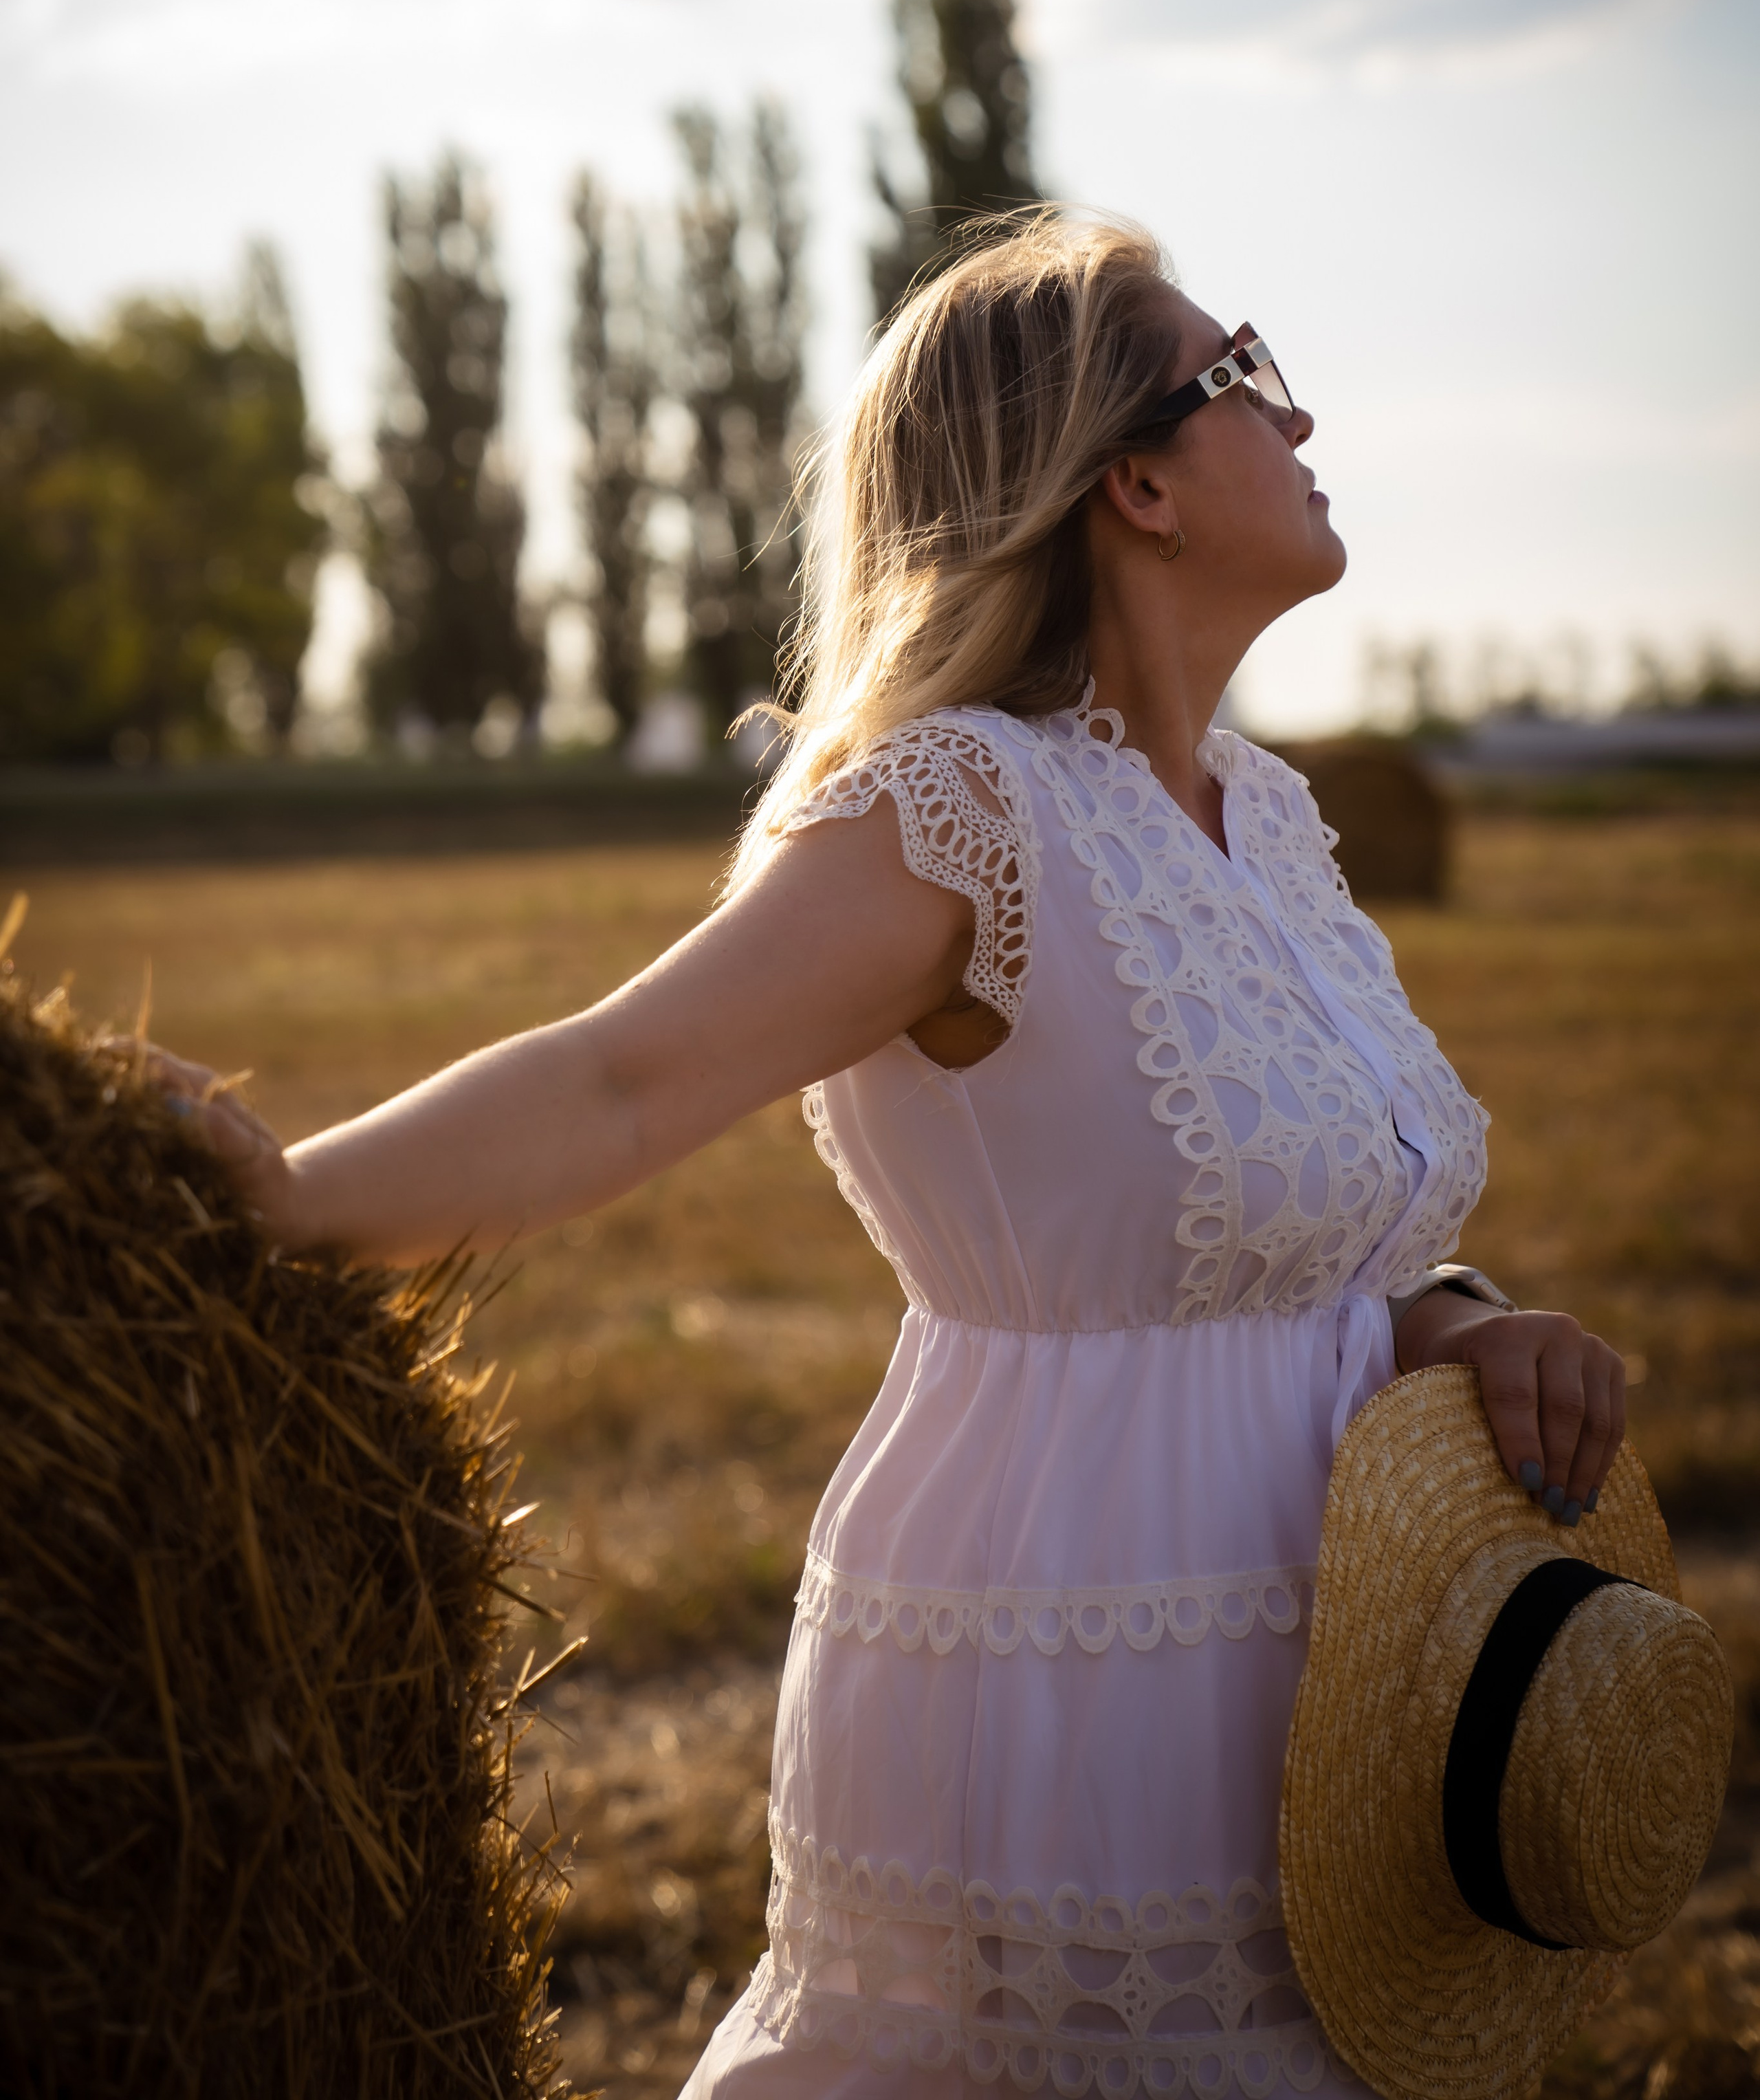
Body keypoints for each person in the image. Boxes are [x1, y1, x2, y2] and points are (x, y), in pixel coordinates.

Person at [159, 212, 1627, 2100]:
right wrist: (285, 1199)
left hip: (1345, 1666)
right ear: (1139, 483)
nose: (1303, 406)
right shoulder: (964, 808)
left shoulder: (1265, 818)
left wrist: (1461, 1328)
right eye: (1249, 372)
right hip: (1086, 1656)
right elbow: (624, 1078)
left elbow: (1309, 1240)